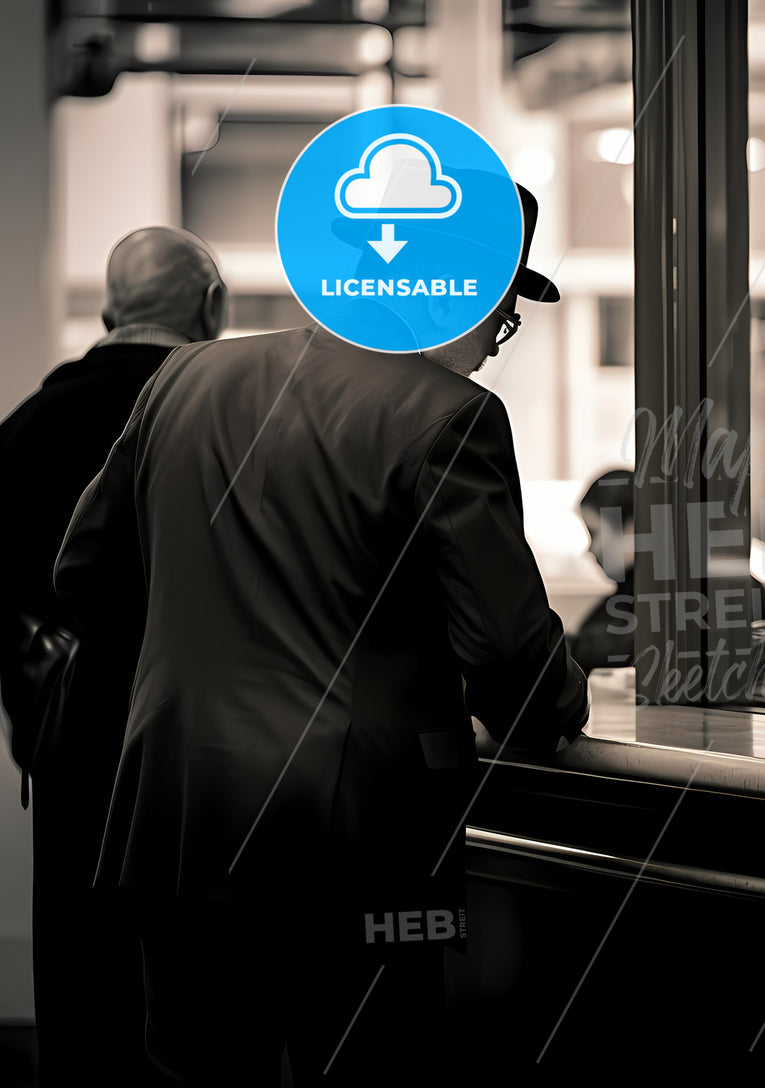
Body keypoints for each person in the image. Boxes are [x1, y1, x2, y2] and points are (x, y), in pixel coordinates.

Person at [53, 184, 588, 1086]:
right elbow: (507, 656)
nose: (501, 335)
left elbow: (82, 577)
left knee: (198, 1071)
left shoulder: (185, 376)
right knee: (370, 1064)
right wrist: (554, 706)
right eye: (504, 306)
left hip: (173, 822)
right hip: (357, 853)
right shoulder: (450, 415)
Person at [0, 225, 226, 1086]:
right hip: (212, 745)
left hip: (77, 733)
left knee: (82, 974)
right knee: (201, 986)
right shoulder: (231, 414)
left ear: (107, 310)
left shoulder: (31, 423)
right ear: (213, 307)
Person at [570, 466, 765, 674]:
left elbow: (603, 650)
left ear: (633, 525)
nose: (590, 549)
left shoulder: (696, 584)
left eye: (594, 532)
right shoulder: (668, 580)